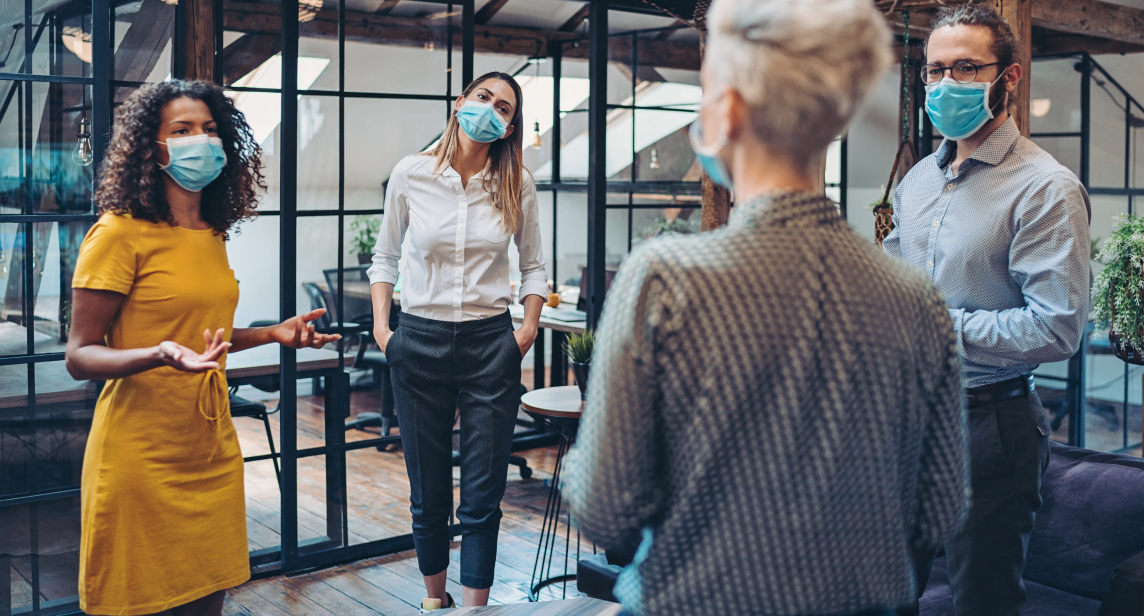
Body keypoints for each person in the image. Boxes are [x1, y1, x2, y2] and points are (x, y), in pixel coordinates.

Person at [561, 0, 969, 615]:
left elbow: (604, 505)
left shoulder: (665, 280)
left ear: (725, 111)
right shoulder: (917, 299)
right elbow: (940, 506)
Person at [66, 80, 340, 616]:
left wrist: (271, 334)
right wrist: (158, 353)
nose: (202, 141)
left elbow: (205, 336)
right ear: (152, 146)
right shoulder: (118, 233)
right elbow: (80, 355)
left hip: (210, 448)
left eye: (210, 129)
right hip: (139, 455)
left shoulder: (211, 232)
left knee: (206, 601)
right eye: (183, 129)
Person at [883, 5, 1090, 614]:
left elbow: (1057, 325)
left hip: (989, 428)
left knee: (982, 602)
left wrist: (935, 324)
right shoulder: (918, 179)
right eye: (935, 70)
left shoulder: (1045, 188)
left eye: (967, 68)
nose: (946, 85)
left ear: (1011, 78)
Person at [367, 71, 547, 611]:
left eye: (505, 108)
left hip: (491, 344)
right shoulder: (411, 173)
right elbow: (385, 257)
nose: (491, 110)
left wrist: (527, 331)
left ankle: (474, 607)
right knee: (427, 491)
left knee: (482, 494)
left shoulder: (518, 183)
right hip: (416, 341)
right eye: (484, 98)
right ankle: (433, 600)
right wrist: (384, 330)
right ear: (460, 102)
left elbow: (535, 266)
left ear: (510, 127)